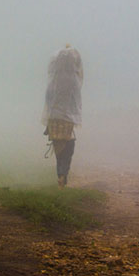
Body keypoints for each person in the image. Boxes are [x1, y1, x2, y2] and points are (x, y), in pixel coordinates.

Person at [42, 46, 83, 188]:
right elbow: (76, 100)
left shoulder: (54, 78)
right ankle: (63, 174)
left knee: (58, 148)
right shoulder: (73, 80)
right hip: (67, 118)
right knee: (69, 146)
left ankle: (60, 174)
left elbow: (48, 98)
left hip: (53, 117)